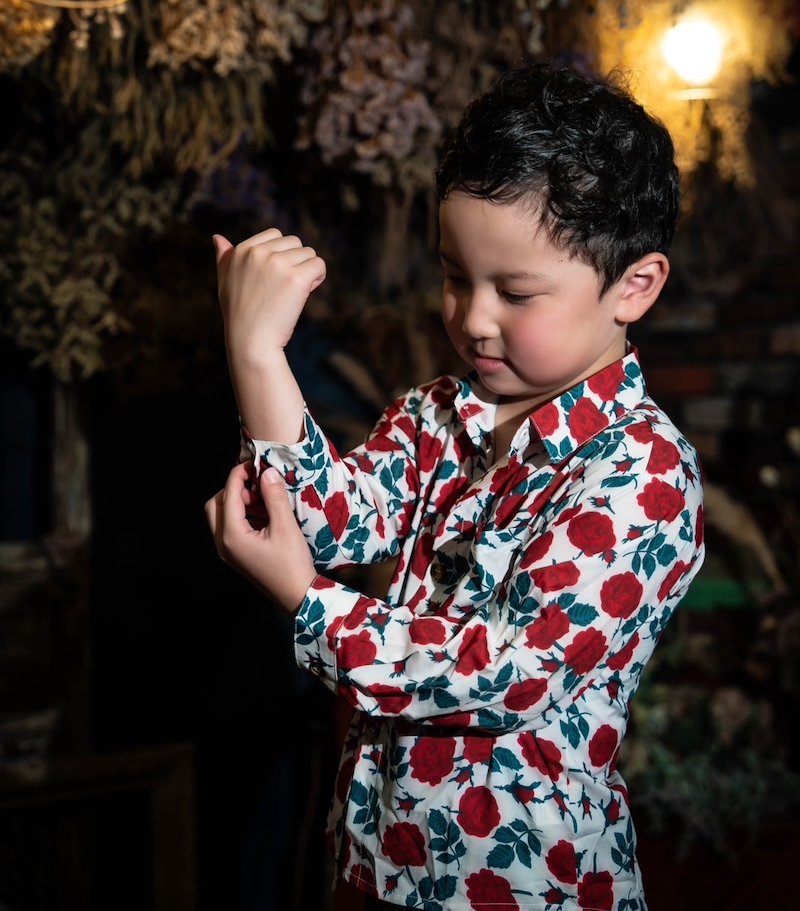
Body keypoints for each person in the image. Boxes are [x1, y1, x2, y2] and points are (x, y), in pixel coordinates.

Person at [205, 62, 705, 911]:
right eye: (454, 276)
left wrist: (305, 600)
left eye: (515, 292)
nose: (473, 317)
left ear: (634, 286)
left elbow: (502, 672)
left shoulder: (644, 473)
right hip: (374, 864)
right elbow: (320, 525)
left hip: (523, 886)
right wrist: (257, 353)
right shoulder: (436, 415)